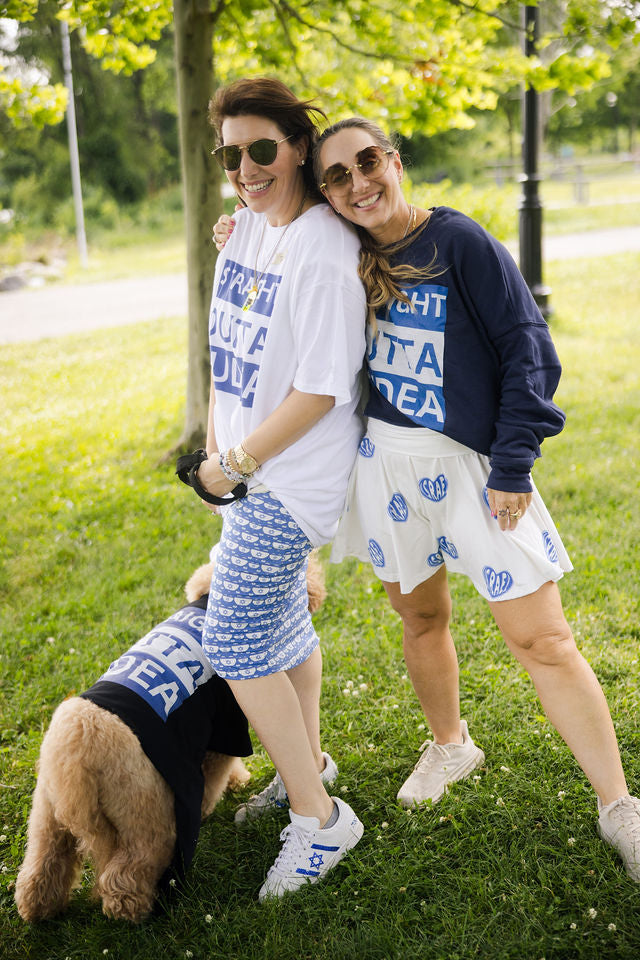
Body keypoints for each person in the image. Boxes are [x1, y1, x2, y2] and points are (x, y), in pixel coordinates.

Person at [213, 113, 640, 883]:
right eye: (337, 176)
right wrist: (237, 230)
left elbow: (528, 353)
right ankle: (451, 744)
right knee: (421, 617)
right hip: (386, 469)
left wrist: (513, 464)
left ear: (395, 160)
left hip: (478, 471)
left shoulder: (460, 241)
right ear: (327, 192)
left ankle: (619, 806)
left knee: (543, 639)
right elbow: (275, 242)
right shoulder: (340, 248)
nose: (357, 183)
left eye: (368, 162)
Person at [196, 80, 366, 900]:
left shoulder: (322, 248)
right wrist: (215, 450)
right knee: (284, 625)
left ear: (298, 145)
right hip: (251, 473)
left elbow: (322, 388)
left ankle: (320, 818)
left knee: (232, 638)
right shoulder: (251, 232)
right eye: (232, 154)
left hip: (289, 480)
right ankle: (313, 759)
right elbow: (233, 355)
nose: (246, 167)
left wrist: (237, 465)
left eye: (261, 149)